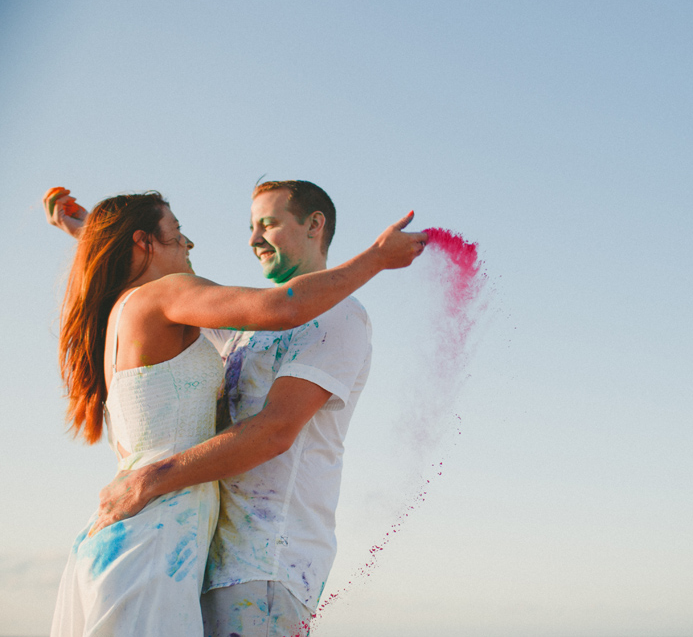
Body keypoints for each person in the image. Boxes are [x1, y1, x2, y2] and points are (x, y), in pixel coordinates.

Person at [44, 187, 426, 637]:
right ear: (144, 242)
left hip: (254, 561)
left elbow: (276, 426)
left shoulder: (337, 315)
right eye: (178, 232)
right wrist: (377, 258)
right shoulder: (180, 306)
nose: (190, 245)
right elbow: (277, 306)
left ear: (314, 225)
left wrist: (92, 232)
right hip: (177, 548)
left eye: (267, 223)